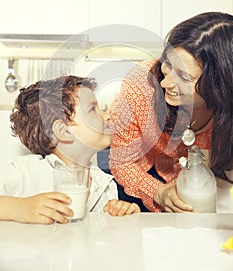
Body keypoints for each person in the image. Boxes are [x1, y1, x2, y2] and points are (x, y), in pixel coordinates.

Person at [109, 11, 233, 213]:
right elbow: (122, 162)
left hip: (201, 183)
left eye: (184, 77)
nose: (165, 83)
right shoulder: (139, 87)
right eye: (168, 64)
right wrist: (158, 192)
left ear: (219, 85)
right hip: (142, 174)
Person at [0, 75, 140, 224]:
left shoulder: (106, 184)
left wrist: (121, 214)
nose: (107, 116)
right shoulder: (25, 172)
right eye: (92, 109)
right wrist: (20, 208)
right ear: (63, 131)